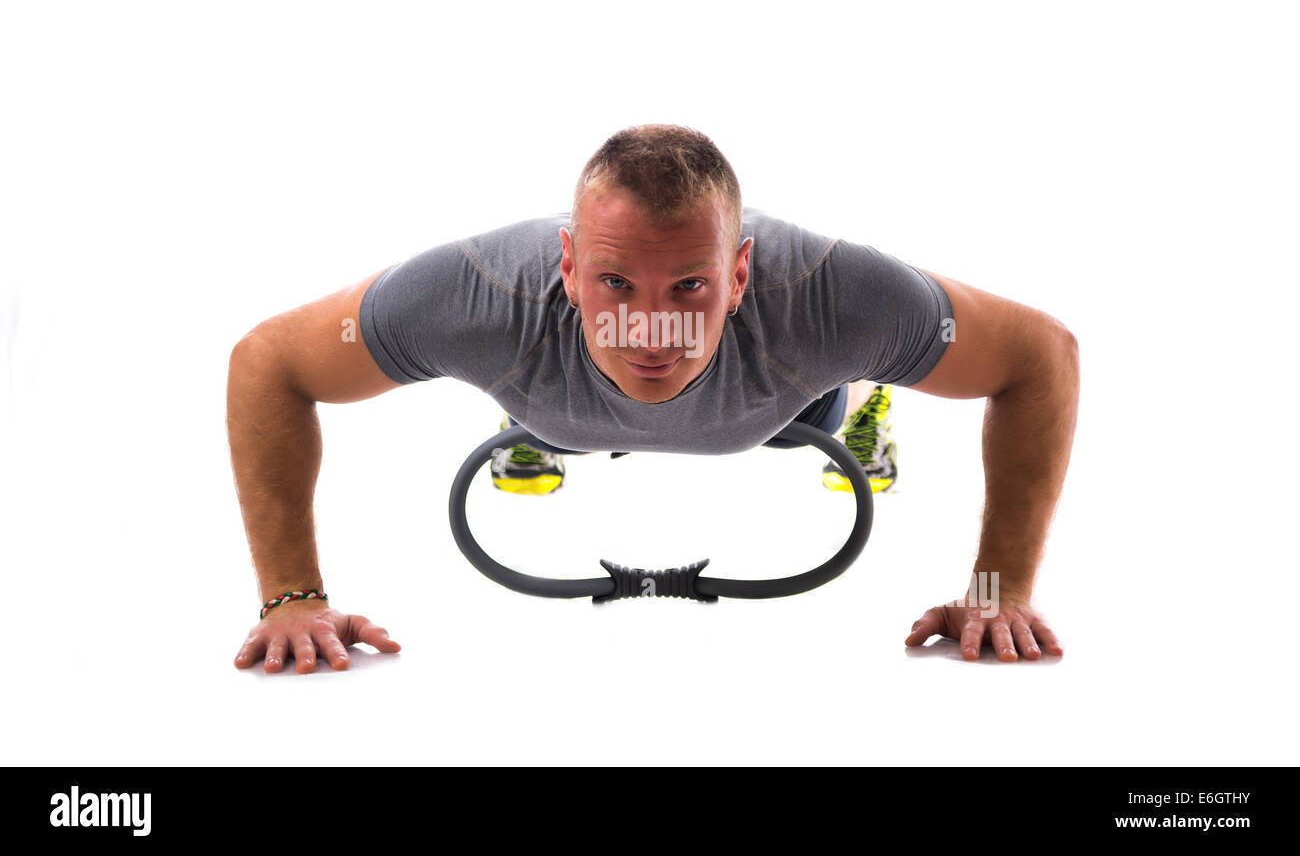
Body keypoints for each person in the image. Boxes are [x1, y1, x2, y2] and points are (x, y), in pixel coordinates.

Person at [228, 124, 1078, 674]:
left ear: (740, 273)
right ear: (567, 266)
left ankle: (857, 407)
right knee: (547, 397)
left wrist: (1000, 588)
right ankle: (535, 423)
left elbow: (1041, 356)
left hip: (775, 410)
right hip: (550, 390)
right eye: (613, 282)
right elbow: (269, 363)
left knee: (813, 405)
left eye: (689, 287)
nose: (648, 326)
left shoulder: (833, 297)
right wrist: (290, 596)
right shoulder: (477, 297)